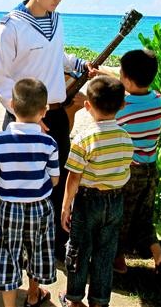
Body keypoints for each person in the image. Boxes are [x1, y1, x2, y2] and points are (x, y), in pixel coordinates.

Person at [0, 0, 98, 260]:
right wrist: (24, 119)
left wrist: (79, 66)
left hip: (55, 115)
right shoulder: (10, 25)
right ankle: (21, 247)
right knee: (22, 186)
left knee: (57, 179)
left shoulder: (56, 19)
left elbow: (56, 54)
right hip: (22, 118)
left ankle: (54, 244)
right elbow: (1, 80)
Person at [0, 78, 60, 307]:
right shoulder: (49, 143)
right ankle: (34, 294)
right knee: (38, 248)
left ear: (12, 106)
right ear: (44, 111)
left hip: (9, 207)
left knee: (8, 253)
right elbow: (55, 180)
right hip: (40, 207)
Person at [59, 76, 134, 307]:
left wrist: (65, 207)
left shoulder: (84, 139)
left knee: (79, 250)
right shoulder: (125, 137)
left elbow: (73, 177)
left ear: (87, 106)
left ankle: (74, 299)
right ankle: (99, 300)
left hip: (87, 201)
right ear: (122, 106)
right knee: (105, 253)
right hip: (115, 201)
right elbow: (125, 169)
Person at [111, 49, 161, 278]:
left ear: (125, 78)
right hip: (150, 168)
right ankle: (160, 256)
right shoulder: (157, 98)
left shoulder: (122, 106)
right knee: (144, 217)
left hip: (130, 171)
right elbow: (131, 85)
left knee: (122, 217)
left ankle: (118, 262)